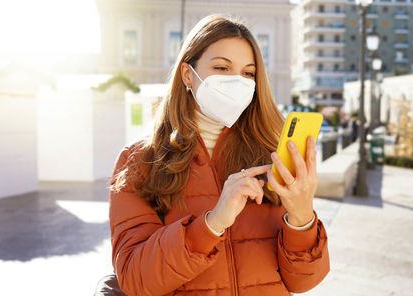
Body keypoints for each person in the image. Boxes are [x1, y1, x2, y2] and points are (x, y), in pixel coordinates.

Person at [106, 15, 330, 296]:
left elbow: (304, 281)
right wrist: (212, 224)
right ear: (188, 75)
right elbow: (135, 280)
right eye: (222, 67)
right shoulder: (140, 161)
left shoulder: (271, 156)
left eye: (248, 73)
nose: (236, 81)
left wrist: (302, 217)